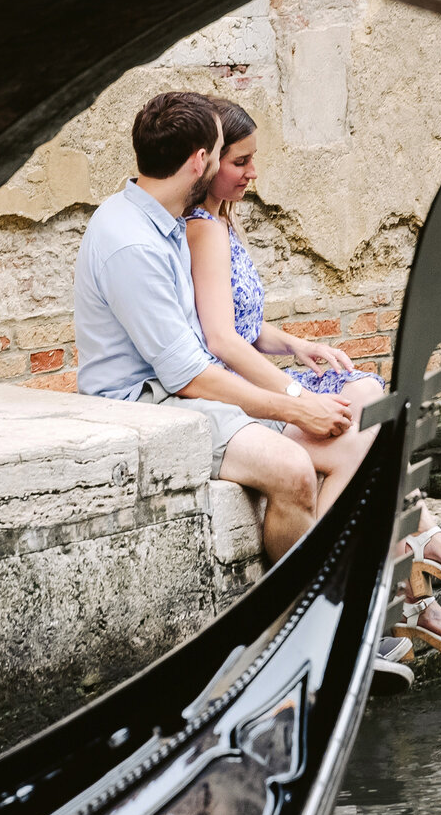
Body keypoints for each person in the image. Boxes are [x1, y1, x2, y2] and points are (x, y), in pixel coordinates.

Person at [186, 97, 441, 653]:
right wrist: (295, 394)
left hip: (258, 374)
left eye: (253, 160)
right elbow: (220, 340)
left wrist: (298, 345)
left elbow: (245, 326)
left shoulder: (224, 222)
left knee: (373, 393)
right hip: (239, 395)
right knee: (368, 423)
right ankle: (394, 572)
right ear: (208, 164)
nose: (253, 173)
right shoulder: (202, 230)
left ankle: (412, 577)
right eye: (240, 162)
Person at [74, 90, 368, 563]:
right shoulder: (131, 243)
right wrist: (294, 406)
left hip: (184, 390)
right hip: (146, 404)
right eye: (220, 156)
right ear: (200, 161)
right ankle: (303, 612)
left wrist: (294, 392)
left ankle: (340, 590)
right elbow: (188, 374)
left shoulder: (161, 220)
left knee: (358, 445)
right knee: (293, 468)